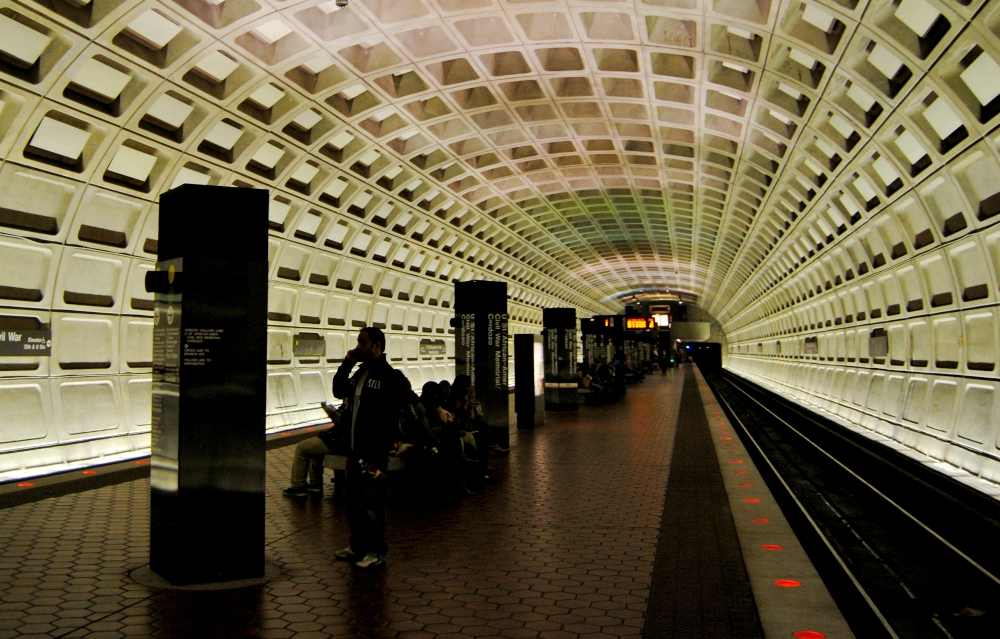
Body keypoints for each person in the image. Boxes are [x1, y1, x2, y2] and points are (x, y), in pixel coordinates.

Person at [331, 326, 404, 569]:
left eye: (363, 342)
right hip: (354, 451)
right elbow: (339, 390)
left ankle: (376, 551)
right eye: (358, 342)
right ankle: (358, 546)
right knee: (351, 500)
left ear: (377, 345)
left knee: (372, 502)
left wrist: (378, 451)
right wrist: (347, 362)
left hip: (373, 454)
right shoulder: (359, 373)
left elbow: (389, 419)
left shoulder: (388, 376)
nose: (358, 346)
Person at [281, 402, 344, 496]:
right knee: (316, 447)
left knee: (302, 448)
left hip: (340, 442)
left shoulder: (354, 402)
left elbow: (345, 422)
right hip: (339, 440)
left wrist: (334, 414)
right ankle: (315, 484)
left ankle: (298, 486)